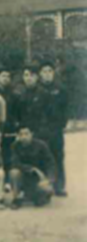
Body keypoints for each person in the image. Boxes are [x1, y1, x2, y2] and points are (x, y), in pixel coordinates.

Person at [39, 61, 69, 197]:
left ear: (53, 73)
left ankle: (59, 186)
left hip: (55, 129)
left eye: (49, 71)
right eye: (44, 71)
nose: (47, 74)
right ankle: (43, 186)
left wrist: (62, 124)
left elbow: (66, 108)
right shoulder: (38, 89)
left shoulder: (60, 89)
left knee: (57, 156)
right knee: (42, 156)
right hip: (41, 128)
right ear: (40, 74)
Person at [9, 125, 56, 210]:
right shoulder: (15, 146)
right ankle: (16, 198)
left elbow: (50, 163)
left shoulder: (41, 145)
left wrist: (49, 179)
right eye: (21, 134)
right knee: (14, 172)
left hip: (39, 177)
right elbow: (15, 163)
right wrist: (32, 169)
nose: (24, 137)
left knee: (46, 189)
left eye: (26, 134)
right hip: (24, 176)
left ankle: (42, 195)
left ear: (31, 134)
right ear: (18, 136)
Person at [0, 66, 16, 180]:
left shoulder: (13, 94)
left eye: (8, 76)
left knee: (8, 154)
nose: (6, 78)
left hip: (9, 128)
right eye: (3, 76)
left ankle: (8, 181)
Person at [14, 63, 48, 136]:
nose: (28, 78)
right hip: (24, 132)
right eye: (26, 75)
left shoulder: (44, 93)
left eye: (32, 75)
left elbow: (49, 114)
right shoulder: (19, 94)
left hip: (41, 131)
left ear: (37, 77)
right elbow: (17, 114)